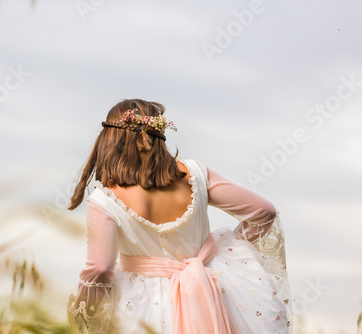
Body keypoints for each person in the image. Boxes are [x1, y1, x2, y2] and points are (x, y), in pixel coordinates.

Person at [66, 99, 293, 334]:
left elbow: (101, 268)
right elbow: (265, 212)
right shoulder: (195, 173)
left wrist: (86, 313)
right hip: (216, 283)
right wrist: (228, 248)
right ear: (159, 136)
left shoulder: (104, 201)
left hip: (148, 308)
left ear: (110, 139)